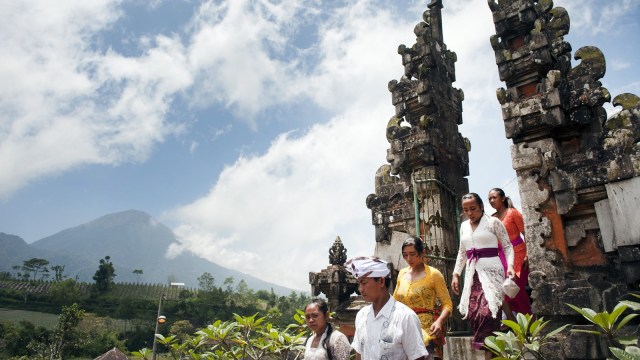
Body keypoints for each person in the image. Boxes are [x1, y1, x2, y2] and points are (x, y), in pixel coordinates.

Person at [451, 193, 515, 360]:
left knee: (488, 313)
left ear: (481, 206)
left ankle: (491, 353)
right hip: (473, 275)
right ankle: (495, 349)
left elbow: (508, 246)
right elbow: (462, 251)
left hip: (493, 272)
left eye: (473, 209)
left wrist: (511, 267)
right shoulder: (464, 226)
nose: (470, 213)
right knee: (473, 313)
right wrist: (456, 273)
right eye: (466, 210)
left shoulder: (493, 222)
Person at [346, 256, 429, 360]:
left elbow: (417, 357)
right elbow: (359, 354)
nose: (360, 289)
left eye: (364, 283)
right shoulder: (361, 316)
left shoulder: (405, 317)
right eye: (359, 284)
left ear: (381, 281)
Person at [393, 236, 453, 360]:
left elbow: (448, 305)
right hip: (403, 329)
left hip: (427, 330)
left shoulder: (434, 274)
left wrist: (439, 322)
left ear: (422, 253)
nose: (409, 259)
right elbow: (394, 302)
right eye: (405, 255)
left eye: (412, 254)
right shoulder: (401, 274)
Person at [488, 188, 532, 316]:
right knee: (505, 291)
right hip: (501, 257)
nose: (491, 200)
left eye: (494, 197)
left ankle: (529, 321)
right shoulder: (492, 218)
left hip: (518, 254)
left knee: (516, 288)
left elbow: (526, 233)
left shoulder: (512, 213)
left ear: (502, 198)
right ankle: (517, 324)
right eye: (489, 198)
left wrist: (528, 254)